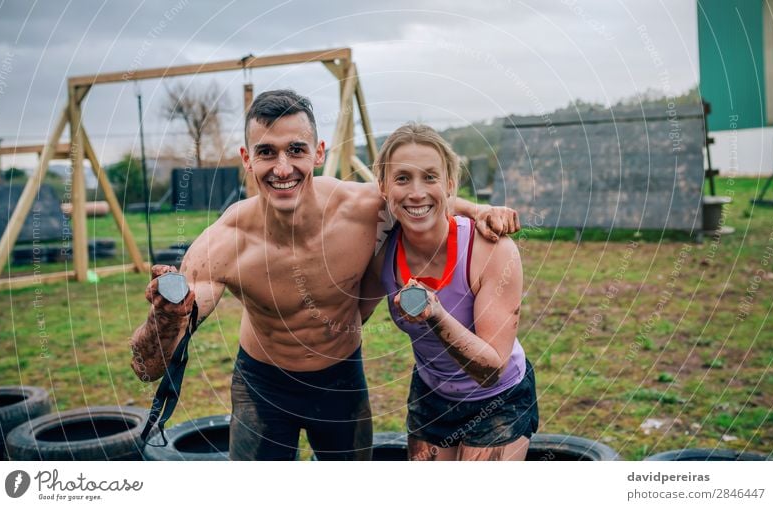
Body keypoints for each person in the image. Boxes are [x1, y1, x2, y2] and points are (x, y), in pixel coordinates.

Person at [129, 90, 520, 460]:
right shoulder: (224, 245)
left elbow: (419, 195)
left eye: (295, 150)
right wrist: (166, 317)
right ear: (247, 159)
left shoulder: (360, 209)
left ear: (318, 153)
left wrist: (477, 210)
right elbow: (148, 367)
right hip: (262, 385)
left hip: (341, 379)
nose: (283, 168)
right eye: (267, 153)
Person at [360, 123, 539, 461]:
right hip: (431, 393)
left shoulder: (490, 249)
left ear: (451, 184)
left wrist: (436, 315)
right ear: (382, 187)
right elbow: (350, 314)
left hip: (499, 397)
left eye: (430, 177)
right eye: (402, 178)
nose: (416, 192)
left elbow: (490, 370)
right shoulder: (382, 251)